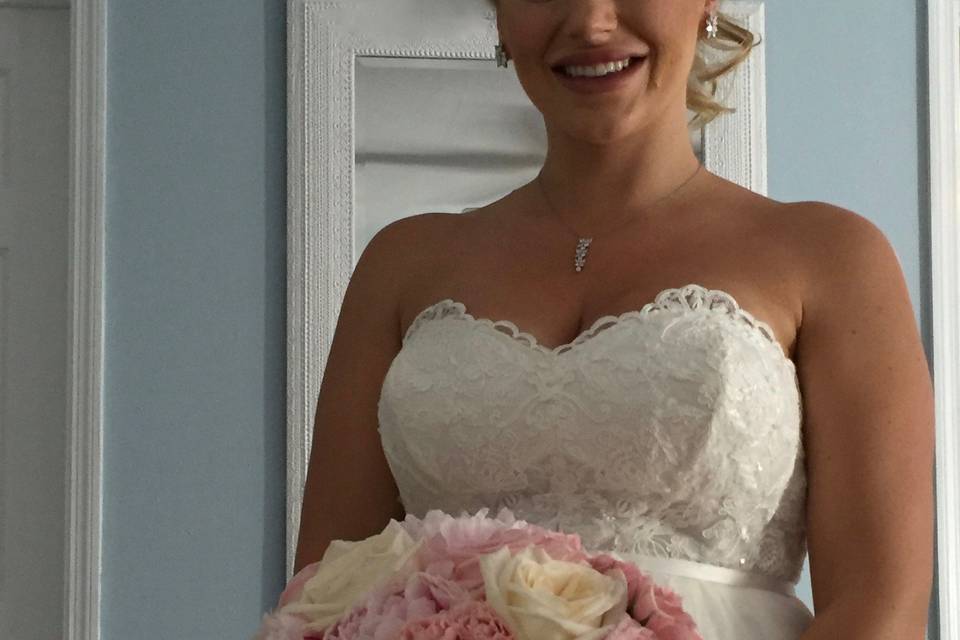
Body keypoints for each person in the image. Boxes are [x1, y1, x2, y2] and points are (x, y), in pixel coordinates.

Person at [294, 1, 935, 638]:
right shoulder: (401, 264)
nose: (592, 22)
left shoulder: (831, 255)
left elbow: (878, 614)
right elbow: (326, 597)